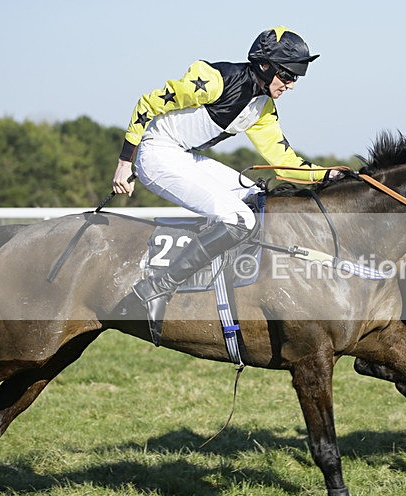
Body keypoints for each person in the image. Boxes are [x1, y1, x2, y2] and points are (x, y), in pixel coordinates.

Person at [111, 26, 338, 345]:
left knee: (258, 200)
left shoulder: (264, 109)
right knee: (238, 219)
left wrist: (328, 175)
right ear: (265, 65)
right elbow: (148, 103)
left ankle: (234, 284)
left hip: (184, 156)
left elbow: (283, 161)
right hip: (157, 155)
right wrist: (125, 162)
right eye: (287, 76)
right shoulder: (216, 80)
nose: (290, 85)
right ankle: (153, 290)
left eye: (295, 78)